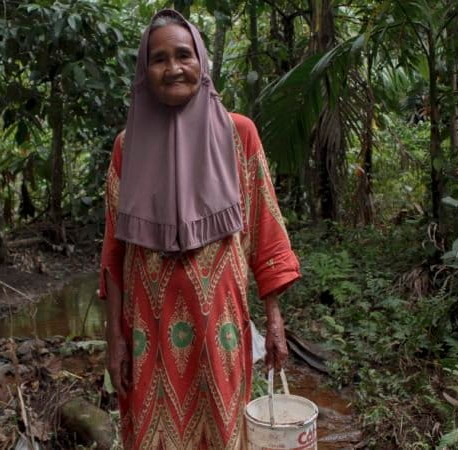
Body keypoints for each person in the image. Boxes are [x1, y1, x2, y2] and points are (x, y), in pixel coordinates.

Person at [99, 9, 301, 449]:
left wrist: (274, 319)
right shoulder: (126, 146)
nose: (173, 68)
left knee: (225, 431)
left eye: (183, 55)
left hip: (221, 327)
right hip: (146, 331)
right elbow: (114, 252)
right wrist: (114, 338)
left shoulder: (238, 134)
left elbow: (264, 229)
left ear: (202, 61)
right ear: (144, 70)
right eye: (159, 59)